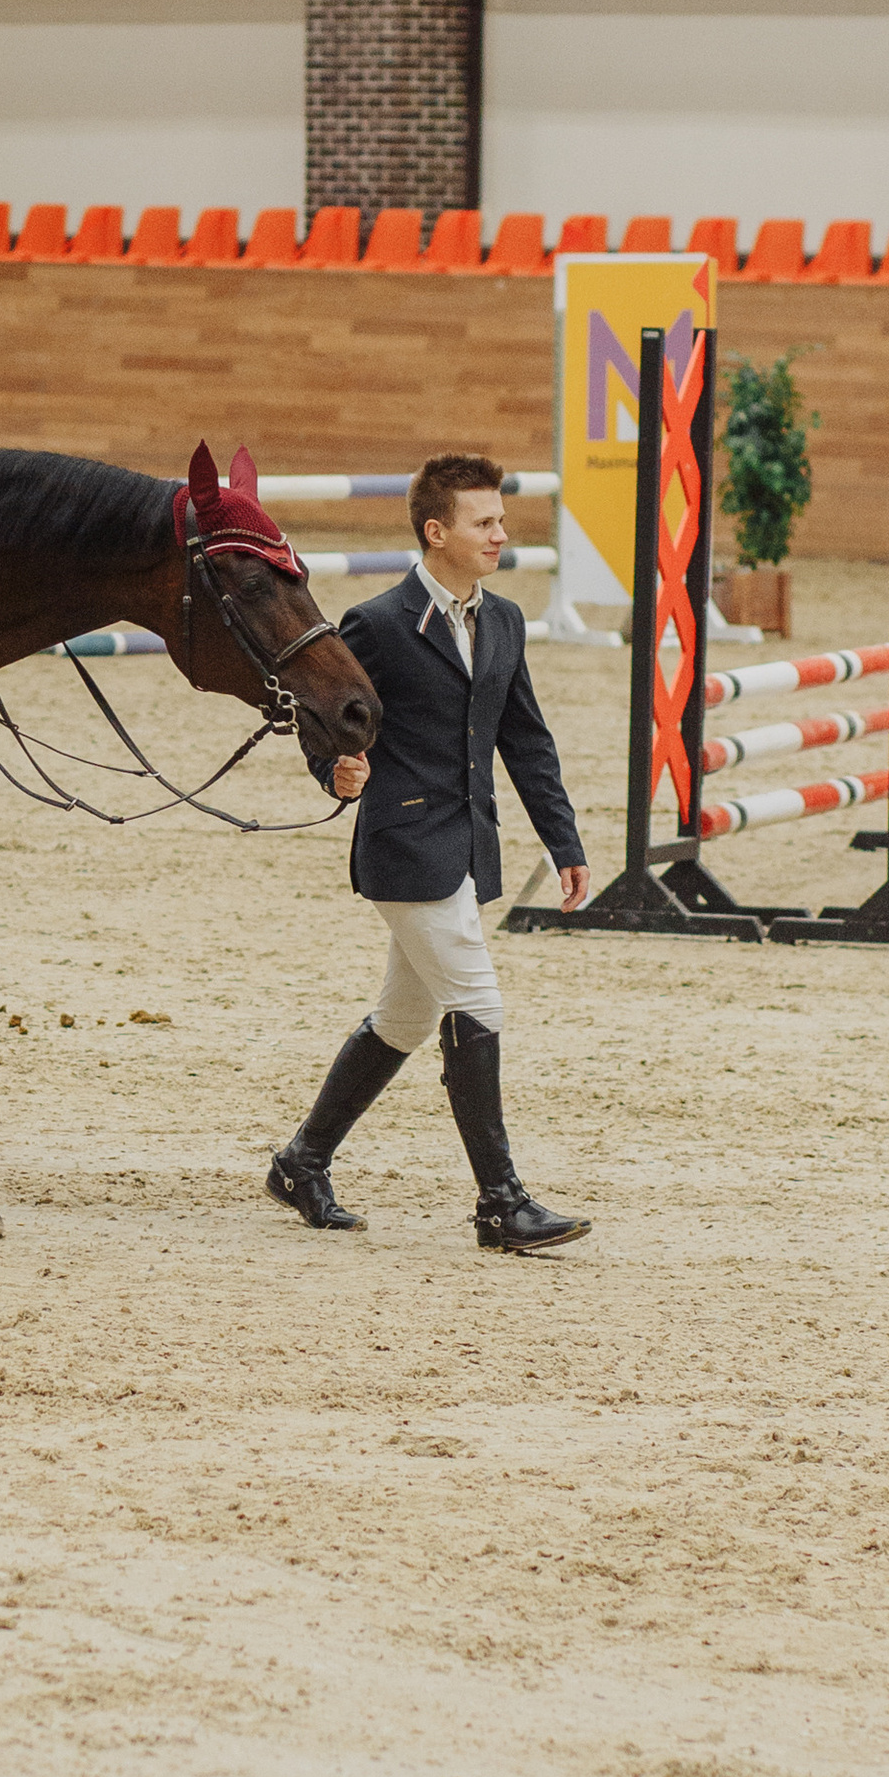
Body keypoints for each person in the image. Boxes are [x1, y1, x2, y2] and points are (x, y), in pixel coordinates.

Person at [266, 450, 593, 1249]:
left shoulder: (504, 620)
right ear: (436, 531)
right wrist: (334, 770)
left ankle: (301, 1162)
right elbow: (325, 711)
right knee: (477, 1001)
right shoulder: (377, 624)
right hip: (406, 846)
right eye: (485, 523)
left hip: (468, 844)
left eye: (501, 521)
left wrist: (563, 841)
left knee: (404, 1017)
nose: (501, 534)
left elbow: (526, 741)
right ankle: (501, 1203)